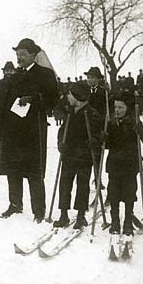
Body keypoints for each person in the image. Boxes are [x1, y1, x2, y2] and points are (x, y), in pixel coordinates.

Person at [0, 38, 59, 222]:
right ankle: (15, 204)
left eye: (23, 54)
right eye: (17, 54)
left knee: (34, 170)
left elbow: (53, 99)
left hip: (34, 129)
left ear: (33, 55)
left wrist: (33, 100)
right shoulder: (14, 76)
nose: (19, 58)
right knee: (13, 169)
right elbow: (6, 101)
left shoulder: (45, 74)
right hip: (13, 129)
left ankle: (38, 211)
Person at [103, 91, 143, 236]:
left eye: (121, 107)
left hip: (130, 164)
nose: (117, 110)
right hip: (114, 164)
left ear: (128, 108)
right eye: (115, 107)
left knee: (129, 194)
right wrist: (104, 138)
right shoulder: (111, 123)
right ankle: (115, 222)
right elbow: (107, 145)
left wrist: (140, 130)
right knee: (113, 194)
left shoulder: (134, 122)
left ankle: (127, 222)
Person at [54, 82, 102, 229]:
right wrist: (60, 143)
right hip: (69, 154)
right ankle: (63, 214)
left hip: (84, 156)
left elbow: (99, 134)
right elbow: (62, 131)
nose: (68, 97)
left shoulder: (91, 113)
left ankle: (81, 215)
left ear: (77, 96)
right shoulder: (70, 112)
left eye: (70, 94)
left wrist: (95, 141)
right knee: (64, 184)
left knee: (82, 185)